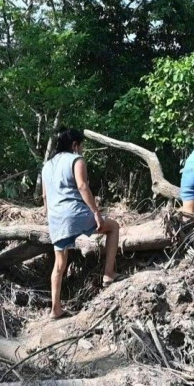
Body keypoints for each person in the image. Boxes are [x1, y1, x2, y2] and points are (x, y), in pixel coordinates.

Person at [41, 127, 127, 320]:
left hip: (56, 219)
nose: (83, 150)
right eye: (82, 146)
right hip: (75, 213)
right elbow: (82, 186)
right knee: (113, 227)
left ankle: (55, 309)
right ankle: (109, 273)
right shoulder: (76, 160)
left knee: (59, 264)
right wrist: (96, 212)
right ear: (74, 145)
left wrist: (50, 216)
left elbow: (45, 196)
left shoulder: (47, 165)